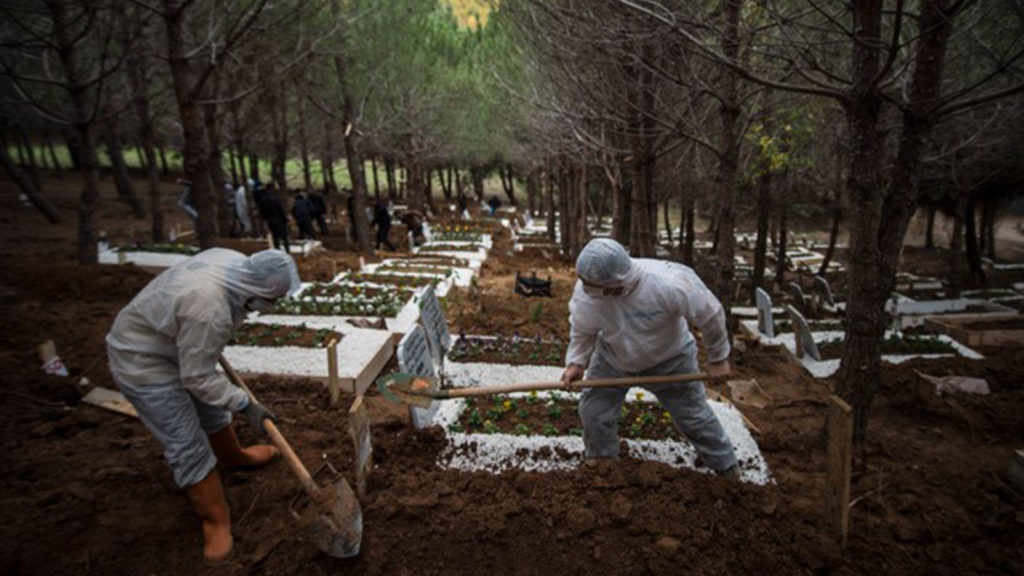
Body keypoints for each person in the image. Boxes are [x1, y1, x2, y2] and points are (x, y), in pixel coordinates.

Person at [105, 249, 302, 564]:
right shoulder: (209, 310)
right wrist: (245, 405)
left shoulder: (234, 261)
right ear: (255, 292)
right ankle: (216, 521)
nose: (274, 307)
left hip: (174, 340)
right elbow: (196, 378)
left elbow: (200, 370)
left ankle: (233, 456)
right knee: (187, 441)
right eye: (272, 301)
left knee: (212, 409)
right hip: (143, 360)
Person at [560, 238, 739, 478]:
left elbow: (710, 314)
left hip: (670, 360)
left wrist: (718, 358)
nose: (583, 286)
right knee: (595, 412)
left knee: (693, 416)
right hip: (613, 360)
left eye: (589, 283)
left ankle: (726, 467)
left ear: (613, 282)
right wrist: (576, 362)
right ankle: (602, 466)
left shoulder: (668, 283)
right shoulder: (588, 293)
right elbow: (583, 329)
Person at [256, 186, 290, 253]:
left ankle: (277, 251)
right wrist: (285, 219)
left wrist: (266, 219)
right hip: (279, 220)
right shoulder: (276, 199)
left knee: (275, 237)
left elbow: (262, 213)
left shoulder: (262, 202)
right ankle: (287, 251)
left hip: (270, 221)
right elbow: (281, 210)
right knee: (284, 237)